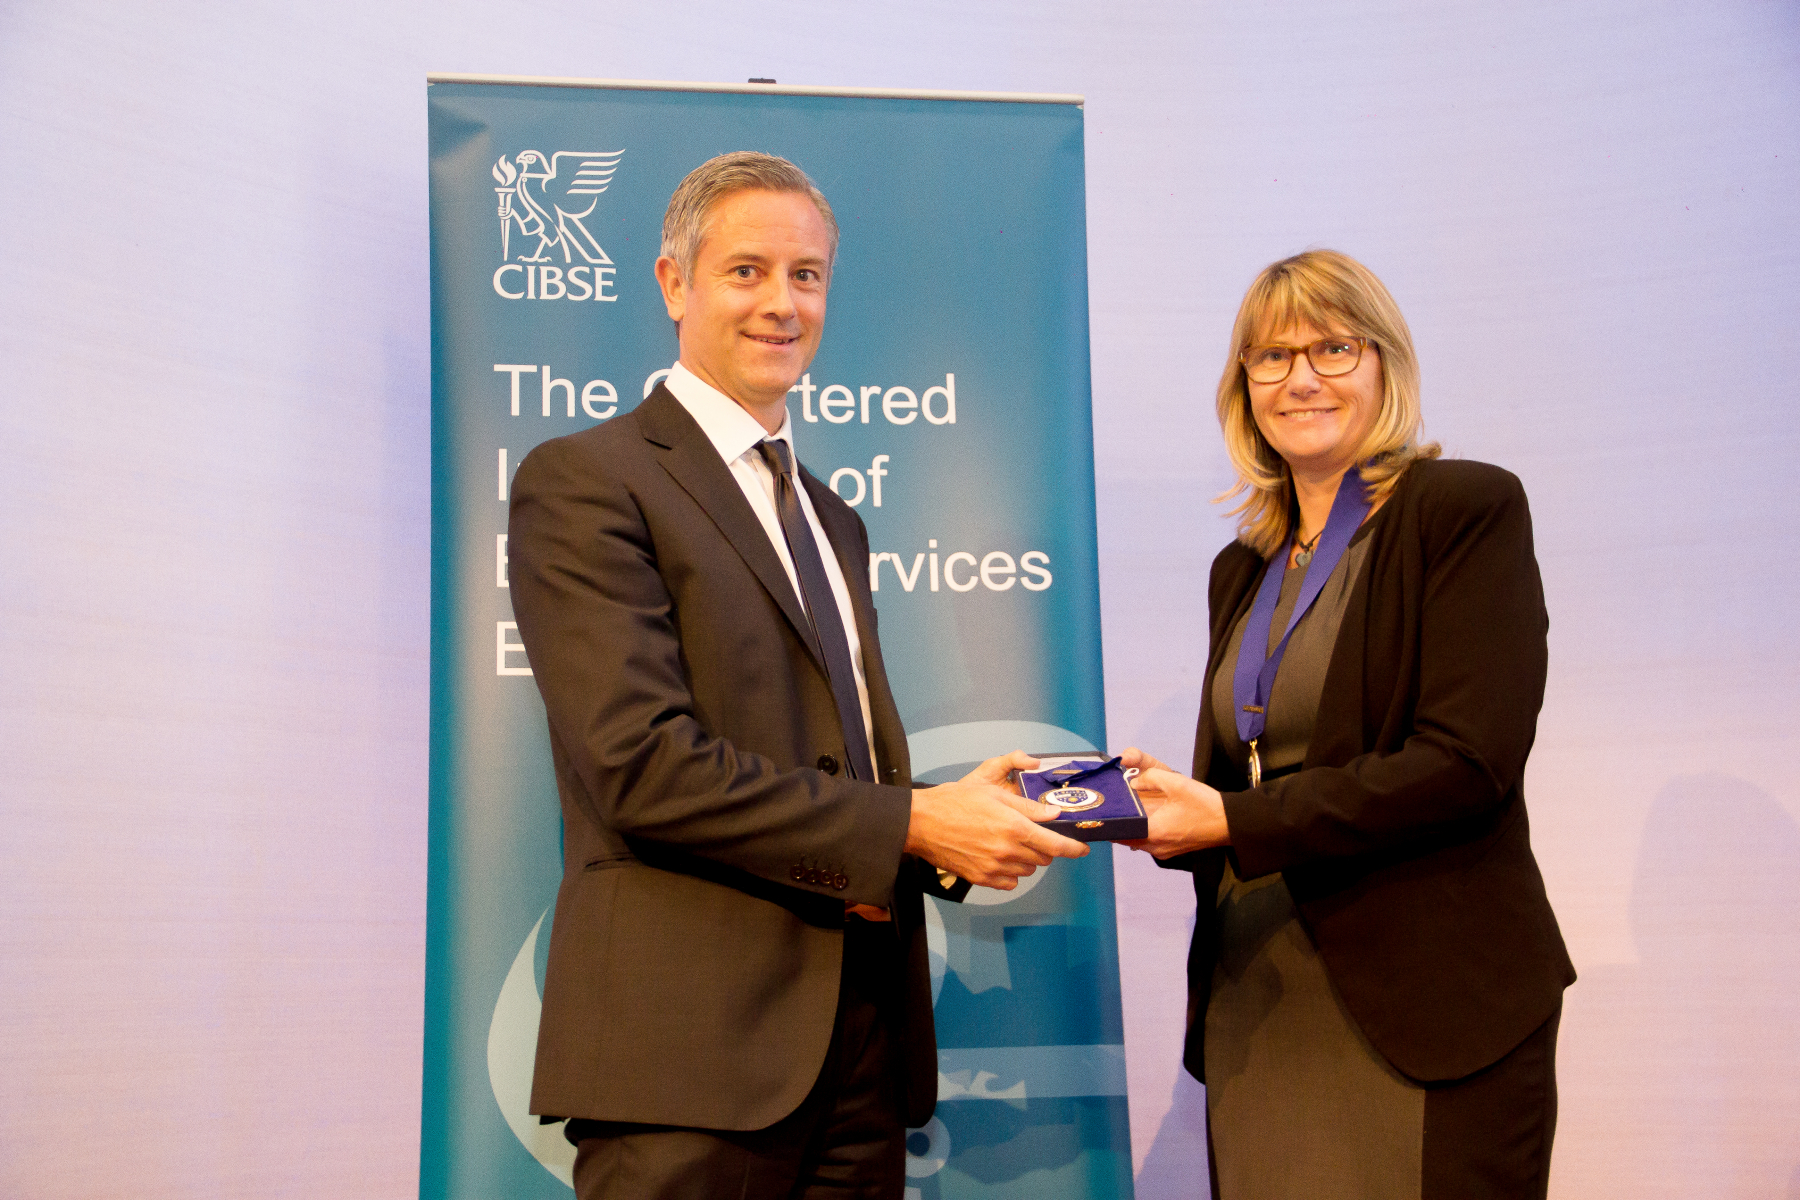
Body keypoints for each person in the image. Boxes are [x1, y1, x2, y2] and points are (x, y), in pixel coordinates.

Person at [506, 151, 1088, 1200]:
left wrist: (956, 817)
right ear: (674, 284)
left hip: (860, 1054)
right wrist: (911, 824)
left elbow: (835, 765)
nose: (783, 303)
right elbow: (642, 768)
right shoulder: (588, 480)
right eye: (747, 271)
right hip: (688, 1065)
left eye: (807, 275)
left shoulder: (832, 518)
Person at [1120, 249, 1575, 1199]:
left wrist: (1234, 823)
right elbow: (1248, 778)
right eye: (1271, 357)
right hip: (1260, 995)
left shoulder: (1461, 509)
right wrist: (1158, 809)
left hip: (1426, 1004)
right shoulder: (1240, 567)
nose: (1301, 379)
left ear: (1385, 364)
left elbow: (1465, 764)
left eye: (1333, 347)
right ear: (1243, 386)